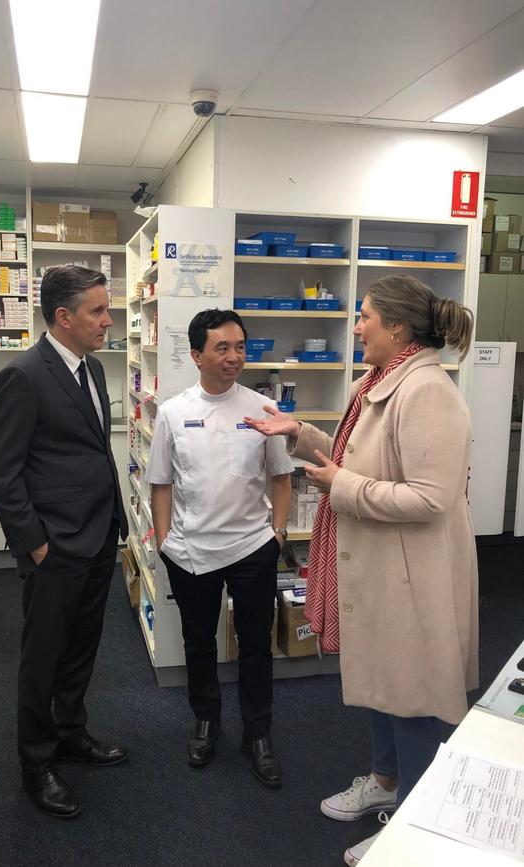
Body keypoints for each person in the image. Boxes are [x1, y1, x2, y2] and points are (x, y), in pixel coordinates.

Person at [244, 275, 478, 865]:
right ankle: (386, 781)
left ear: (397, 328)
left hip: (412, 576)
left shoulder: (426, 391)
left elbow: (431, 498)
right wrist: (300, 435)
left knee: (413, 697)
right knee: (383, 685)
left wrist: (341, 486)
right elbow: (355, 457)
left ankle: (417, 824)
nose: (355, 326)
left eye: (365, 316)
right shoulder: (376, 383)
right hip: (381, 567)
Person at [0, 265, 129, 819]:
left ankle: (71, 733)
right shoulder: (23, 374)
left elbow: (88, 451)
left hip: (96, 538)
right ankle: (36, 764)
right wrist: (34, 545)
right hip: (55, 548)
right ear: (63, 317)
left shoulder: (89, 368)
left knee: (80, 650)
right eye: (97, 311)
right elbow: (0, 470)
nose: (107, 320)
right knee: (42, 659)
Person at [146, 308, 293, 788]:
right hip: (190, 550)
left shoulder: (262, 409)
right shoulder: (173, 412)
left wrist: (279, 533)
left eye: (240, 348)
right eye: (222, 348)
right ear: (196, 355)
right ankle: (206, 722)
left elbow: (281, 476)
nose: (234, 357)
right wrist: (166, 540)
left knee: (256, 645)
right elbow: (162, 482)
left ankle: (259, 734)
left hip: (253, 546)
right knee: (199, 642)